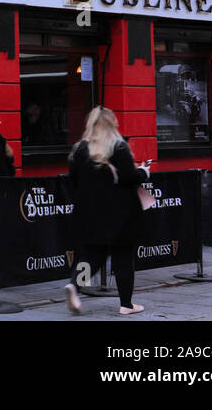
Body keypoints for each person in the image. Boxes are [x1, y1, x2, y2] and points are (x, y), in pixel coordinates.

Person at [64, 106, 152, 316]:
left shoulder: (80, 149)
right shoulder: (118, 147)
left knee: (92, 255)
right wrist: (144, 172)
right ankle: (126, 304)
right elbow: (129, 177)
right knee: (123, 256)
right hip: (120, 212)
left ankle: (75, 286)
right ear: (112, 124)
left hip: (89, 212)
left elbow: (73, 181)